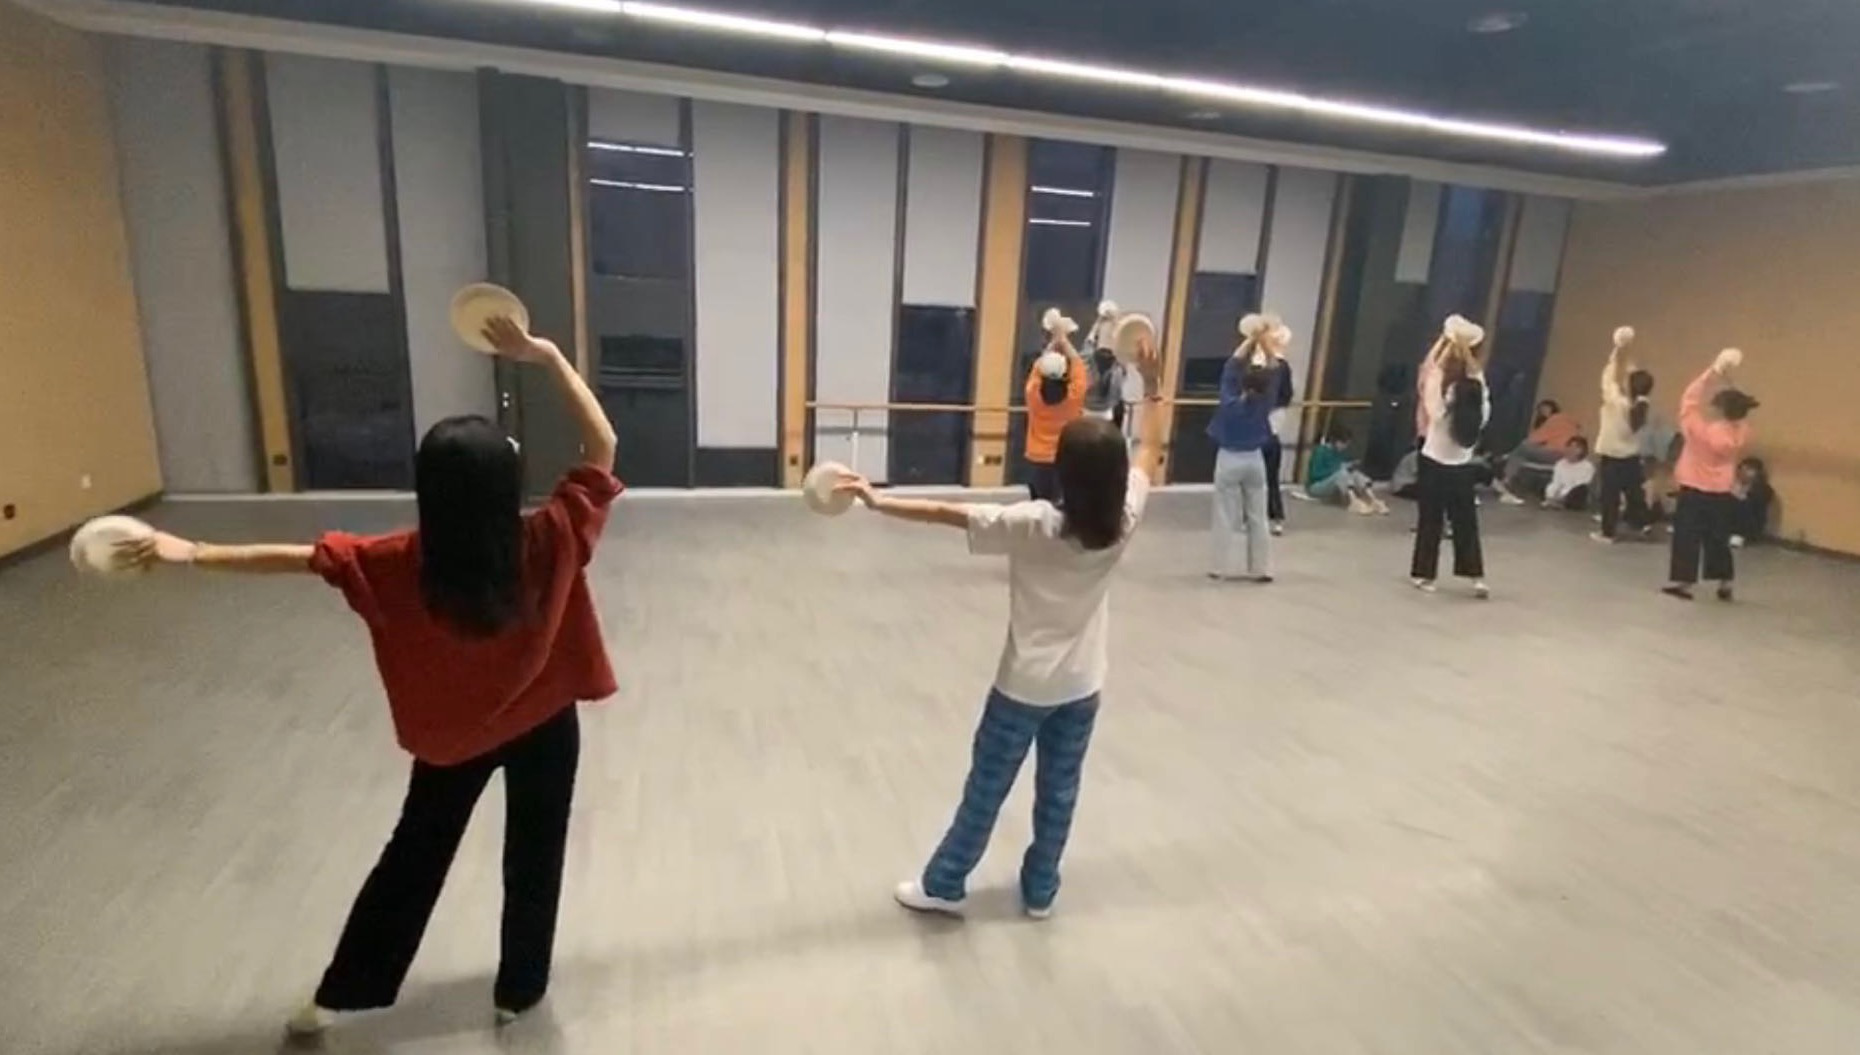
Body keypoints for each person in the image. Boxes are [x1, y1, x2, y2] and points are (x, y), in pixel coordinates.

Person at [117, 316, 621, 1036]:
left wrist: (193, 550)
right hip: (545, 726)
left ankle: (340, 994)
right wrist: (544, 355)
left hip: (452, 740)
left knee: (413, 859)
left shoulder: (396, 563)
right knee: (535, 853)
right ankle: (519, 989)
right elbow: (602, 444)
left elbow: (298, 558)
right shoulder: (551, 535)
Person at [833, 337, 1166, 921]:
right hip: (1083, 685)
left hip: (1023, 687)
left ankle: (944, 883)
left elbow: (947, 513)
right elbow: (1151, 450)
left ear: (1063, 472)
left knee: (987, 786)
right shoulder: (1125, 518)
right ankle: (1040, 892)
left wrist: (877, 501)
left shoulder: (1034, 523)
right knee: (1060, 791)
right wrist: (1155, 384)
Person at [1664, 348, 1758, 601]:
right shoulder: (1741, 431)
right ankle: (1725, 582)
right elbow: (1739, 407)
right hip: (1721, 490)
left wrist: (1712, 372)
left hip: (1695, 488)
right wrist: (1728, 378)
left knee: (1687, 535)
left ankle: (1684, 582)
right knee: (1717, 538)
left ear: (1719, 409)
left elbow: (1689, 400)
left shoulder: (1701, 431)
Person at [1410, 315, 1491, 598]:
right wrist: (1466, 353)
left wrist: (1448, 346)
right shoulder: (1476, 388)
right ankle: (1475, 577)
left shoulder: (1444, 388)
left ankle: (1424, 574)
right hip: (1460, 464)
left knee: (1430, 520)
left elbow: (1432, 397)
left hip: (1435, 460)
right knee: (1465, 522)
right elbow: (1483, 402)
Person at [1209, 315, 1280, 582]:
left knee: (1224, 514)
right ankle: (1262, 568)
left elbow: (1232, 365)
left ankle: (1218, 567)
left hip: (1229, 457)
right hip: (1254, 459)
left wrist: (1251, 337)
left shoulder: (1230, 401)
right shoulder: (1265, 401)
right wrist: (1264, 341)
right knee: (1258, 516)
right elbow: (1275, 366)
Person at [1592, 326, 1655, 542]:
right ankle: (1643, 523)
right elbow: (1629, 375)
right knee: (1634, 492)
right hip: (1631, 456)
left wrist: (1617, 349)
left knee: (1609, 496)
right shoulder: (1642, 404)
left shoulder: (1617, 403)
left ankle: (1607, 532)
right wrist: (1624, 353)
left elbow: (1608, 378)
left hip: (1612, 456)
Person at [1023, 307, 1087, 503]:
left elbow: (1038, 367)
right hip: (1064, 458)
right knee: (1060, 506)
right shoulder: (1074, 396)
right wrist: (1063, 339)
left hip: (1036, 458)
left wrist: (1053, 342)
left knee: (1038, 506)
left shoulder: (1033, 393)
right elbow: (1078, 364)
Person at [1245, 313, 1296, 535]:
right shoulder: (1256, 365)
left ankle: (1271, 516)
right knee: (1258, 476)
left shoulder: (1278, 367)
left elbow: (1284, 396)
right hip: (1261, 427)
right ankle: (1261, 516)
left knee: (1265, 475)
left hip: (1266, 428)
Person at [1495, 398, 1582, 504]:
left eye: (1545, 409)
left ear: (1552, 408)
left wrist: (1527, 444)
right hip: (1564, 455)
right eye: (1541, 410)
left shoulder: (1555, 419)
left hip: (1555, 453)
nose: (1543, 412)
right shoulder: (1569, 421)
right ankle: (1508, 470)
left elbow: (1533, 439)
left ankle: (1506, 478)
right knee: (1520, 455)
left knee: (1523, 448)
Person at [1305, 425, 1388, 515]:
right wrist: (1337, 469)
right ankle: (1353, 501)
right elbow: (1315, 474)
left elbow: (1342, 466)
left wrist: (1350, 465)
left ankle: (1373, 499)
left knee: (1355, 474)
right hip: (1316, 486)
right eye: (1343, 443)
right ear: (1335, 441)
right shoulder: (1320, 451)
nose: (1345, 446)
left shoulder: (1339, 452)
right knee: (1342, 474)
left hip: (1333, 481)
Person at [1081, 299, 1124, 426]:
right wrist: (1116, 322)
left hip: (1087, 412)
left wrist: (1100, 321)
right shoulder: (1118, 367)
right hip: (1105, 415)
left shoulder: (1088, 361)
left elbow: (1088, 343)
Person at [1730, 456, 1773, 549]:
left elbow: (1755, 507)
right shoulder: (1734, 485)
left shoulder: (1763, 489)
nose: (1743, 473)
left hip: (1751, 524)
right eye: (1742, 469)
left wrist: (1741, 495)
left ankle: (1738, 536)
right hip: (1732, 521)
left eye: (1748, 470)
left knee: (1742, 505)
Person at [1542, 436, 1596, 510]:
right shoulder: (1560, 463)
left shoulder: (1587, 467)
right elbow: (1556, 482)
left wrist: (1562, 495)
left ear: (1583, 451)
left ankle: (1560, 503)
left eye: (1576, 448)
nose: (1571, 450)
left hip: (1574, 494)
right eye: (1569, 446)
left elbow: (1580, 485)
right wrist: (1552, 494)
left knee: (1580, 491)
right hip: (1559, 492)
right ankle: (1553, 502)